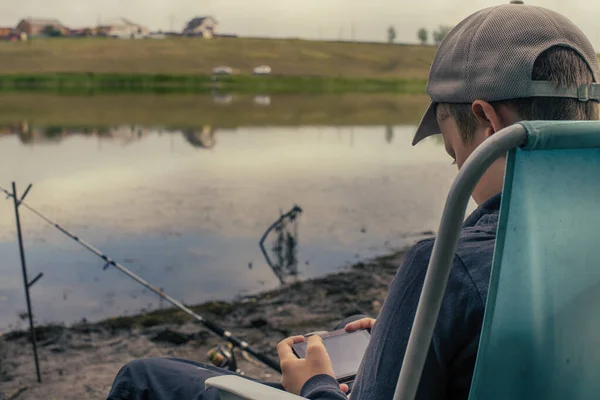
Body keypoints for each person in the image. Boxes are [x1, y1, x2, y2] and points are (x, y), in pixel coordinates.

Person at [107, 2, 600, 399]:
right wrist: (404, 337)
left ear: (487, 122)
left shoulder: (448, 267)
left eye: (453, 153)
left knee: (144, 377)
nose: (455, 165)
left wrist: (317, 386)